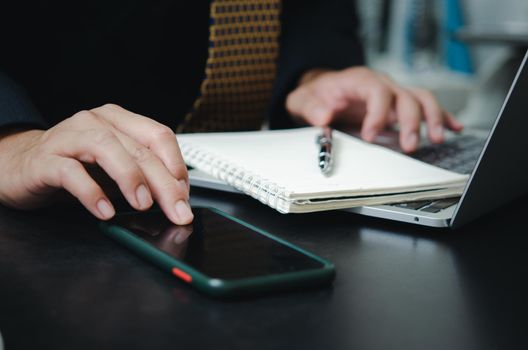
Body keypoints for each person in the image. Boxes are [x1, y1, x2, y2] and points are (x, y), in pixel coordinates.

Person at [0, 0, 463, 225]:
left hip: (248, 207)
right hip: (64, 206)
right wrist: (11, 138)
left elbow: (314, 10)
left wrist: (316, 73)